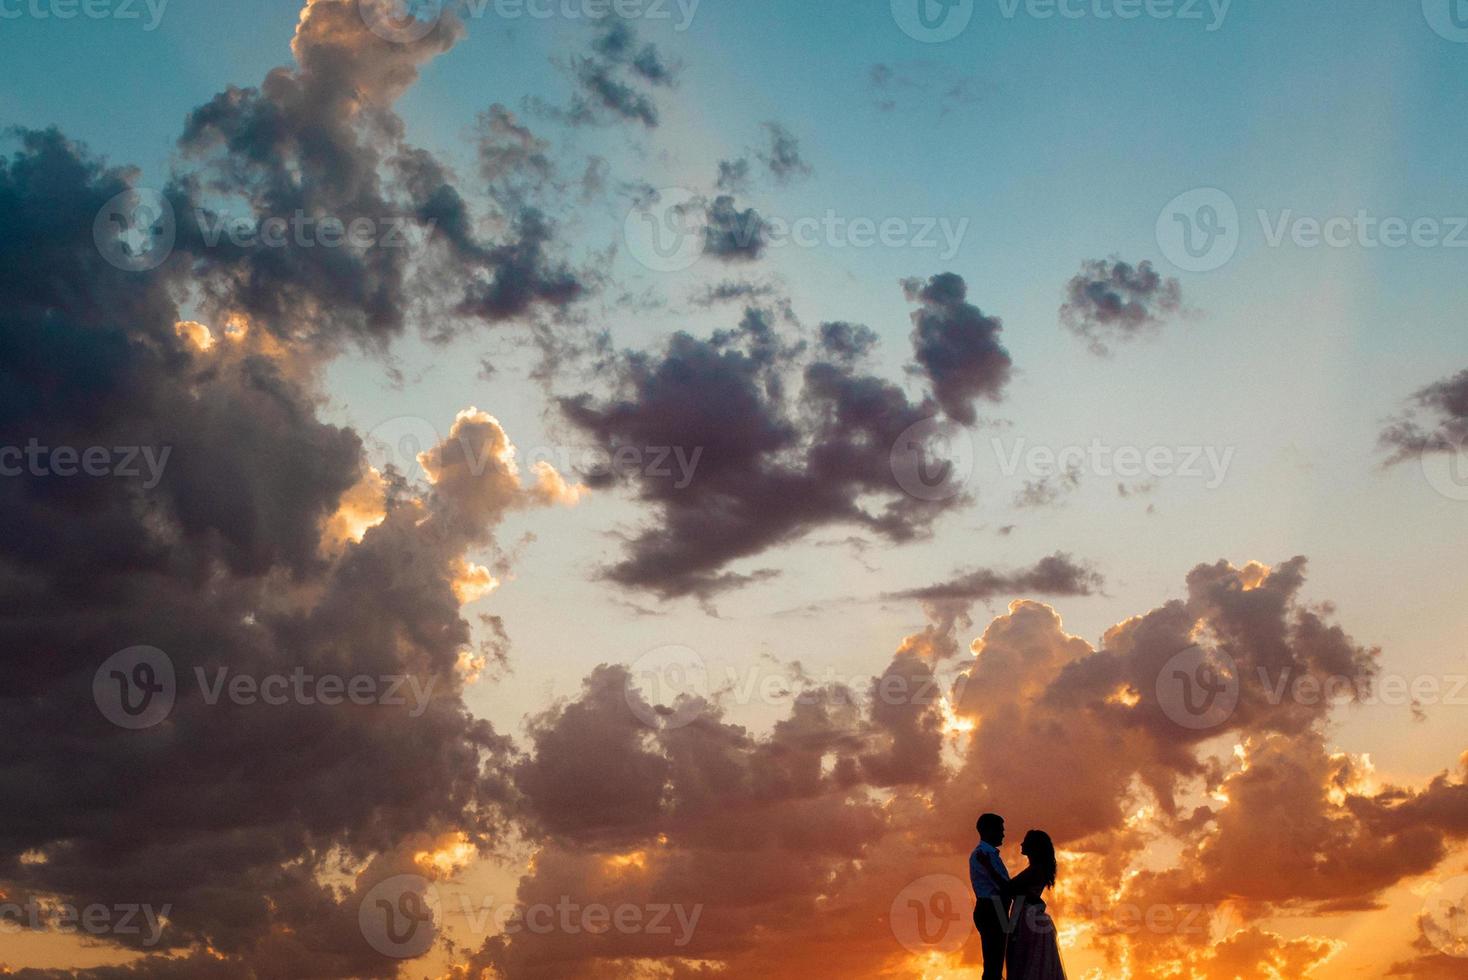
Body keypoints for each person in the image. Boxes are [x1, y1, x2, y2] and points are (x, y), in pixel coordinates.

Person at [1003, 830, 1067, 980]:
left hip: (1026, 918)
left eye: (1026, 841)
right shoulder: (1038, 869)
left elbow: (1009, 887)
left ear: (1034, 847)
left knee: (1023, 960)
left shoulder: (1036, 869)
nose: (1021, 844)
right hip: (1025, 915)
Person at [969, 812, 1010, 980]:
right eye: (999, 829)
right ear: (987, 830)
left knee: (996, 960)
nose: (1003, 833)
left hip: (995, 908)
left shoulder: (988, 854)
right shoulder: (984, 855)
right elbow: (1004, 886)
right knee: (994, 962)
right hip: (992, 908)